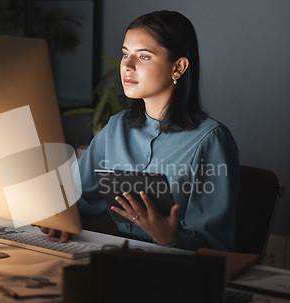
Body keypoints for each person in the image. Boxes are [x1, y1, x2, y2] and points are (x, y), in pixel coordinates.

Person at [43, 10, 239, 251]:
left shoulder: (210, 139)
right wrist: (58, 215)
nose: (127, 65)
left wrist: (170, 237)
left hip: (178, 271)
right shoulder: (117, 127)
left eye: (144, 57)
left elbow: (215, 244)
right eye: (126, 54)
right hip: (118, 258)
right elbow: (75, 197)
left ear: (178, 67)